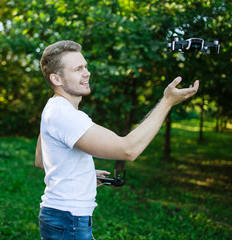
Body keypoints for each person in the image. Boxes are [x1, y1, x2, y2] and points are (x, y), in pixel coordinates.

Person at [35, 40, 199, 240]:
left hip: (59, 218)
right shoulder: (67, 116)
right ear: (56, 79)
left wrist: (82, 175)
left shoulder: (53, 107)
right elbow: (128, 150)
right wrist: (167, 102)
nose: (87, 73)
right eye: (78, 69)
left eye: (85, 66)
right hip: (69, 223)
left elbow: (41, 159)